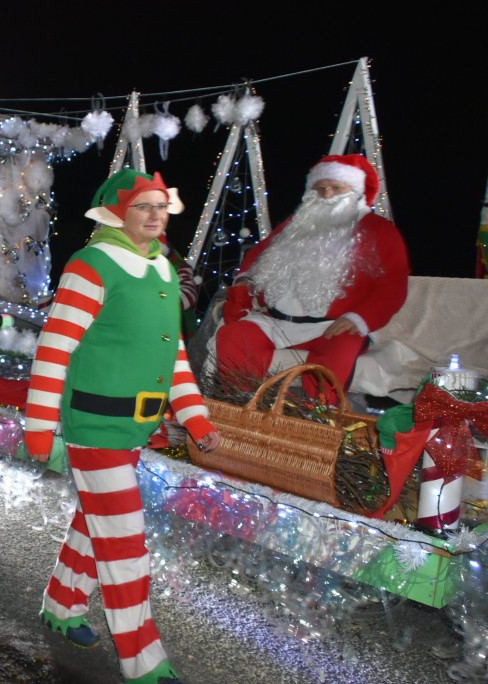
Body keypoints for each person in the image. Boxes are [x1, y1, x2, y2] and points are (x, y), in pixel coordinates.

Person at [24, 169, 220, 684]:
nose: (157, 215)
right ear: (115, 212)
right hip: (94, 427)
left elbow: (173, 355)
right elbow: (54, 350)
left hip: (134, 428)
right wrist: (40, 428)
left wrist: (196, 418)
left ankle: (62, 607)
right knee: (125, 544)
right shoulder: (91, 265)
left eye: (162, 206)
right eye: (145, 207)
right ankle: (143, 661)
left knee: (96, 523)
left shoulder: (161, 270)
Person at [214, 154, 410, 397]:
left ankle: (317, 423)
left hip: (333, 327)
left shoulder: (380, 230)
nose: (327, 195)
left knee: (335, 361)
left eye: (337, 188)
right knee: (232, 337)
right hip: (275, 322)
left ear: (356, 191)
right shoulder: (296, 224)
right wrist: (245, 279)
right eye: (320, 188)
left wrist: (358, 319)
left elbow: (393, 286)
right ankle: (244, 410)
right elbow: (259, 255)